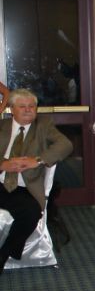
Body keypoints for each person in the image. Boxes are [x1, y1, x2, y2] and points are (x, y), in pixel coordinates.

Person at [0, 89, 73, 274]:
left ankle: (4, 254)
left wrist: (38, 160)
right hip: (1, 181)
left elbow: (65, 145)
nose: (27, 110)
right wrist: (3, 164)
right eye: (22, 106)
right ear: (12, 109)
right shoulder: (2, 126)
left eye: (31, 106)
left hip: (23, 187)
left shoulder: (43, 125)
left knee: (31, 212)